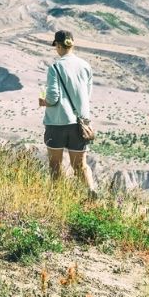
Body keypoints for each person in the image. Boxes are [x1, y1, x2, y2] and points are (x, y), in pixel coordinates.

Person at [39, 30, 96, 192]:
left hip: (57, 122)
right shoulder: (85, 66)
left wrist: (44, 101)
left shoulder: (55, 67)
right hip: (80, 123)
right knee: (80, 165)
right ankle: (91, 191)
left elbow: (53, 97)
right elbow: (87, 94)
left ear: (57, 45)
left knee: (55, 164)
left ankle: (58, 197)